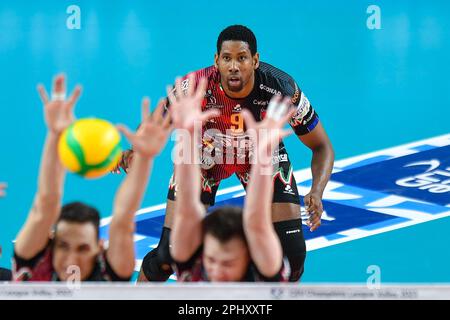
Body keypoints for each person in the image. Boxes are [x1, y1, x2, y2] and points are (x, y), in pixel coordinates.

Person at [114, 25, 334, 282]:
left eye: (242, 58)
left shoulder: (282, 89)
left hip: (260, 154)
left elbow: (322, 146)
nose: (233, 66)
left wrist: (317, 191)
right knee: (168, 255)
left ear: (255, 60)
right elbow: (154, 123)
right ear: (216, 61)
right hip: (205, 153)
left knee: (293, 255)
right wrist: (134, 150)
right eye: (226, 59)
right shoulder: (194, 86)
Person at [12, 74, 172, 281]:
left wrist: (144, 157)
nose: (71, 259)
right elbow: (46, 203)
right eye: (63, 246)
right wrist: (56, 134)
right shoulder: (34, 264)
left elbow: (123, 219)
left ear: (99, 249)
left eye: (83, 248)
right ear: (50, 243)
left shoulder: (111, 272)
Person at [169, 75, 294, 281]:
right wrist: (187, 134)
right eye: (211, 260)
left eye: (228, 263)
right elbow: (187, 209)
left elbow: (258, 222)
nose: (217, 272)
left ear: (249, 254)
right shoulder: (191, 261)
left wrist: (263, 153)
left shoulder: (263, 270)